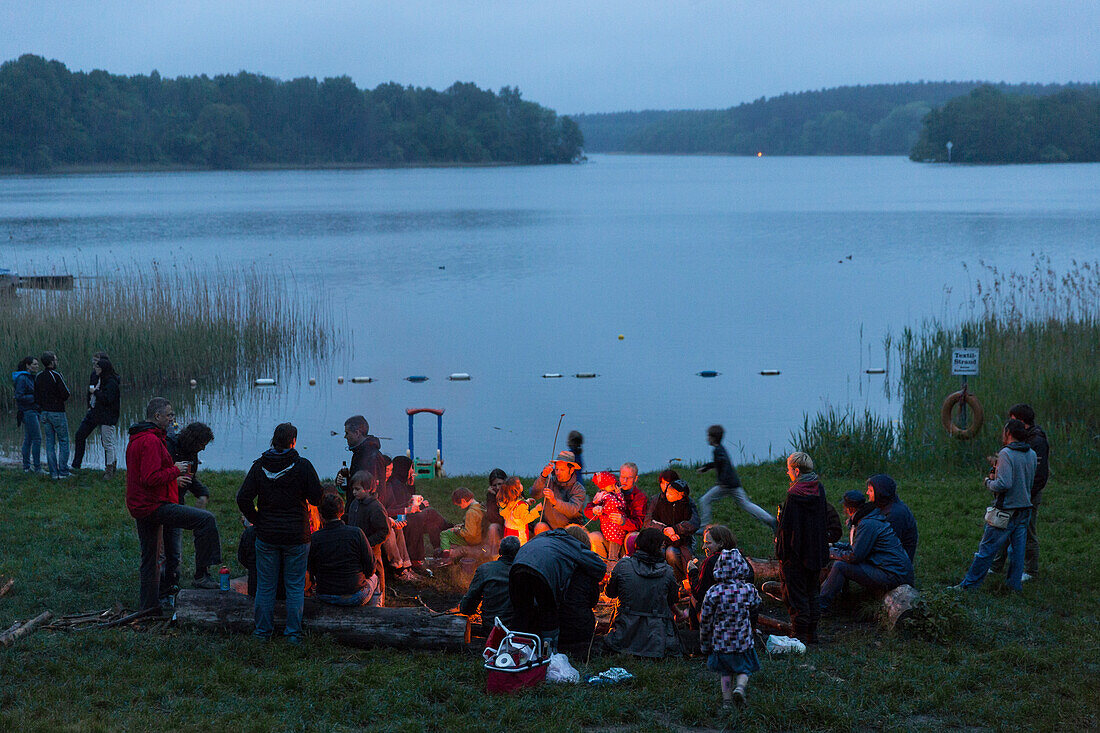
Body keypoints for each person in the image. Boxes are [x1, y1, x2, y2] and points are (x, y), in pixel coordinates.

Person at [126, 397, 222, 611]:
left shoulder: (139, 437)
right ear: (157, 416)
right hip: (154, 504)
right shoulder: (150, 441)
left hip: (141, 505)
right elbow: (150, 478)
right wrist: (175, 471)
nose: (172, 419)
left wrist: (198, 490)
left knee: (150, 558)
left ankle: (149, 607)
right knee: (206, 520)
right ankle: (201, 576)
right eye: (169, 415)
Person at [236, 422, 324, 643]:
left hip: (267, 535)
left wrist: (257, 520)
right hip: (296, 535)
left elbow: (242, 498)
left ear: (274, 440)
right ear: (293, 442)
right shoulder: (303, 466)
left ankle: (262, 633)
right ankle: (293, 634)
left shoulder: (259, 466)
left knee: (266, 585)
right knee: (294, 586)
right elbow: (317, 498)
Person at [953, 419, 1036, 593]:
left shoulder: (1006, 454)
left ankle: (969, 586)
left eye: (1004, 431)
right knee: (1018, 552)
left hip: (1006, 511)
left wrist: (988, 483)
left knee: (986, 549)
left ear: (1008, 433)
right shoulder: (1032, 454)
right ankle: (1014, 586)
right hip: (1025, 509)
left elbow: (1004, 484)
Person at [508, 526, 606, 653]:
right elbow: (599, 566)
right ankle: (549, 652)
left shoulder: (547, 537)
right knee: (549, 610)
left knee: (521, 610)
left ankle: (514, 649)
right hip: (543, 572)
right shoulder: (573, 545)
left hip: (518, 566)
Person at [819, 492, 914, 614]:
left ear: (850, 509)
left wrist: (830, 553)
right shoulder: (868, 519)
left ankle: (821, 606)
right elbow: (859, 547)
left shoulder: (867, 524)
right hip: (894, 570)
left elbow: (854, 556)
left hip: (893, 574)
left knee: (840, 566)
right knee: (839, 561)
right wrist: (833, 546)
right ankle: (840, 599)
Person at [775, 451, 829, 644]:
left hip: (796, 555)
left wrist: (782, 552)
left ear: (796, 471)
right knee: (812, 591)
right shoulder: (818, 489)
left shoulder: (794, 495)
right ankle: (812, 633)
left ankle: (799, 634)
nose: (788, 473)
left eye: (789, 469)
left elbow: (787, 529)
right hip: (815, 552)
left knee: (796, 595)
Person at [991, 404, 1049, 580]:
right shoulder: (1023, 439)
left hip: (1028, 495)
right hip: (1015, 493)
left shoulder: (1036, 442)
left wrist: (1025, 493)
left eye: (1012, 420)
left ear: (1022, 421)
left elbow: (1038, 475)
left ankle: (1031, 571)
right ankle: (996, 566)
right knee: (1003, 526)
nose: (1009, 424)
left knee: (1028, 532)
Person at [604, 527, 682, 658]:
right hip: (657, 637)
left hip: (624, 633)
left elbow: (610, 593)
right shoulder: (668, 572)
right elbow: (673, 600)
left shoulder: (623, 566)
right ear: (658, 548)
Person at [700, 547, 762, 707]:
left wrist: (705, 642)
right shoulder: (748, 590)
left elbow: (706, 618)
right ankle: (740, 688)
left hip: (722, 643)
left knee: (725, 673)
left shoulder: (713, 592)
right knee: (744, 669)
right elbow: (757, 605)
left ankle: (726, 702)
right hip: (743, 641)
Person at [160, 422, 215, 598]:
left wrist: (202, 493)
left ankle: (175, 584)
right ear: (193, 440)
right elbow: (154, 475)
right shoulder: (168, 446)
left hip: (177, 503)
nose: (203, 449)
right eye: (202, 444)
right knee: (164, 550)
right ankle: (162, 588)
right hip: (161, 503)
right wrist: (172, 481)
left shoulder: (192, 454)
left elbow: (189, 477)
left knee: (175, 552)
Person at [697, 425, 777, 531]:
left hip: (726, 484)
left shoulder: (718, 451)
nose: (707, 438)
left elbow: (724, 464)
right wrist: (706, 467)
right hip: (733, 483)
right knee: (746, 504)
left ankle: (703, 527)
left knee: (705, 500)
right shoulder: (720, 449)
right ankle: (771, 521)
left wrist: (721, 481)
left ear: (713, 438)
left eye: (708, 436)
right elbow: (719, 463)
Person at [308, 493, 379, 607]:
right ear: (342, 512)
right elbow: (371, 567)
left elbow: (311, 569)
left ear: (321, 515)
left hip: (325, 595)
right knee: (375, 579)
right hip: (355, 595)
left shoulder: (315, 538)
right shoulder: (356, 533)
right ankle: (375, 615)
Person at [344, 470, 391, 604]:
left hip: (372, 551)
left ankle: (379, 602)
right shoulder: (354, 504)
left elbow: (384, 531)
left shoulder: (376, 508)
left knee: (377, 573)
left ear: (369, 488)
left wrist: (368, 543)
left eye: (357, 489)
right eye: (353, 489)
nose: (354, 492)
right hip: (356, 551)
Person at [460, 535, 520, 635]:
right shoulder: (523, 572)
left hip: (491, 626)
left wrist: (466, 609)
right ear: (518, 553)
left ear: (500, 552)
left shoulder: (485, 569)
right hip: (516, 627)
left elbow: (471, 598)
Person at [645, 474, 700, 581]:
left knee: (671, 553)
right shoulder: (658, 500)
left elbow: (694, 522)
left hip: (681, 540)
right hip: (661, 538)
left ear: (681, 495)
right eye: (663, 483)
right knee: (656, 553)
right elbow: (648, 522)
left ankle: (679, 581)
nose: (666, 490)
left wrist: (676, 530)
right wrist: (665, 530)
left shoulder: (686, 504)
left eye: (668, 485)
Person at [71, 353, 119, 477]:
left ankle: (110, 469)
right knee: (80, 435)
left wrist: (96, 392)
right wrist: (89, 405)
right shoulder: (95, 375)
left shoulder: (111, 381)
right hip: (94, 411)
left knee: (107, 442)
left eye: (97, 364)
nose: (94, 367)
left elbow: (107, 398)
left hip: (106, 415)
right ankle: (76, 465)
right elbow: (90, 391)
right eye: (93, 363)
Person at [558, 524, 603, 653]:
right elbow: (593, 601)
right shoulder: (589, 569)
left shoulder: (556, 564)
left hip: (557, 625)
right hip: (581, 626)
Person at [689, 524, 744, 628]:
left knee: (693, 598)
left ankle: (696, 635)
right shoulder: (741, 559)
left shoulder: (711, 562)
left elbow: (699, 593)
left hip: (718, 618)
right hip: (740, 616)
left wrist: (692, 572)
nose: (703, 547)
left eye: (708, 543)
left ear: (721, 543)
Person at [379, 455, 417, 581]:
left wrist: (407, 505)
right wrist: (406, 510)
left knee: (399, 528)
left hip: (388, 518)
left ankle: (406, 565)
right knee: (389, 531)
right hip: (378, 521)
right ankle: (398, 568)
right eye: (387, 470)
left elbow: (393, 506)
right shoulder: (376, 486)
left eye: (391, 470)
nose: (389, 474)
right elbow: (382, 511)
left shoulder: (388, 486)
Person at [34, 351, 71, 479]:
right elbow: (66, 394)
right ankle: (64, 471)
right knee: (64, 441)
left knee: (50, 442)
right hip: (57, 413)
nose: (57, 361)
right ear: (51, 362)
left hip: (44, 413)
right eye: (55, 359)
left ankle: (53, 473)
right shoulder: (56, 375)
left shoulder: (38, 376)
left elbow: (36, 396)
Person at [865, 474, 918, 564]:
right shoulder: (884, 506)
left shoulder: (895, 514)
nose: (867, 493)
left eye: (870, 490)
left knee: (844, 564)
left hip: (895, 565)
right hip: (888, 559)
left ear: (880, 493)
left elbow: (887, 545)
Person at [334, 415, 385, 505]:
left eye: (347, 433)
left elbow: (374, 487)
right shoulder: (359, 453)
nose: (345, 437)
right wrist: (345, 482)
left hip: (363, 512)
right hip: (358, 509)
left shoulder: (371, 455)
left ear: (357, 433)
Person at [531, 450, 588, 532]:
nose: (558, 473)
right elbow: (534, 494)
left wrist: (554, 501)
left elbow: (572, 510)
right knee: (540, 527)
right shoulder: (550, 482)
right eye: (557, 469)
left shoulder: (578, 489)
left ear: (571, 470)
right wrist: (543, 476)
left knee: (577, 531)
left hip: (569, 529)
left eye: (562, 470)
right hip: (549, 528)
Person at [585, 471, 628, 561]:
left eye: (614, 485)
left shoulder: (599, 496)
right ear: (604, 487)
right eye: (611, 486)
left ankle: (606, 569)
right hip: (614, 530)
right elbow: (621, 505)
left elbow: (593, 505)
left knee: (613, 554)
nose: (613, 488)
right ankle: (610, 571)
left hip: (608, 529)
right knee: (613, 556)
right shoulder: (609, 497)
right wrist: (619, 495)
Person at [12, 356, 42, 473]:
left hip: (33, 410)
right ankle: (37, 468)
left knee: (29, 438)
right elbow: (18, 396)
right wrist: (34, 398)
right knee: (37, 438)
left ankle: (26, 467)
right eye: (34, 364)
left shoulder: (31, 377)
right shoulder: (22, 378)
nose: (37, 366)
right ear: (28, 366)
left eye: (37, 364)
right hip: (27, 411)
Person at [497, 476, 542, 545]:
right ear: (516, 489)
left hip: (508, 531)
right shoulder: (521, 505)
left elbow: (515, 508)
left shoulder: (506, 502)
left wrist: (526, 502)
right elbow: (526, 518)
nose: (521, 484)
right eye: (519, 483)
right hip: (518, 534)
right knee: (519, 549)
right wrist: (536, 510)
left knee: (510, 548)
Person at [439, 487, 484, 553]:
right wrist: (462, 525)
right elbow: (475, 524)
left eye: (459, 505)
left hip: (473, 540)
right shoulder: (480, 507)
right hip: (481, 537)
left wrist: (457, 531)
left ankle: (446, 555)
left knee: (444, 534)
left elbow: (470, 533)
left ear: (463, 500)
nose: (460, 507)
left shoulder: (470, 512)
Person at [483, 468, 508, 556]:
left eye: (500, 484)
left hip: (515, 525)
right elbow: (491, 516)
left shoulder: (513, 491)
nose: (498, 487)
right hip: (501, 525)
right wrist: (493, 497)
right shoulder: (492, 495)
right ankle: (494, 557)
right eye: (495, 485)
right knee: (493, 527)